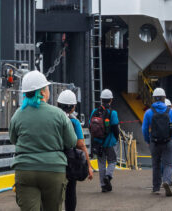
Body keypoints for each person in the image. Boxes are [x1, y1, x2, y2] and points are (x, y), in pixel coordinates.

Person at [9, 71, 77, 211]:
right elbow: (71, 142)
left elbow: (13, 139)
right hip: (53, 170)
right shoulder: (59, 114)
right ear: (42, 92)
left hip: (25, 169)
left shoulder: (17, 115)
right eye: (46, 88)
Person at [56, 89, 93, 211]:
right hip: (69, 162)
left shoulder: (53, 119)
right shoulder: (74, 122)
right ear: (72, 107)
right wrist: (88, 165)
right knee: (70, 191)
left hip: (53, 160)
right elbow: (81, 145)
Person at [142, 88, 172, 197]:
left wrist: (147, 140)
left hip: (154, 142)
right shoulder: (171, 112)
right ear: (164, 98)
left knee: (156, 165)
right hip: (168, 142)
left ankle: (156, 188)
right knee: (168, 164)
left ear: (154, 98)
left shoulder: (149, 112)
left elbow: (144, 129)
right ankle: (167, 181)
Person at [89, 89, 120, 192]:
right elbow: (115, 128)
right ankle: (108, 176)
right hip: (110, 142)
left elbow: (90, 127)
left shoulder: (94, 112)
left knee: (101, 163)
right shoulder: (113, 113)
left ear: (101, 99)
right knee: (112, 161)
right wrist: (116, 138)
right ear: (111, 100)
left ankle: (103, 186)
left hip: (98, 143)